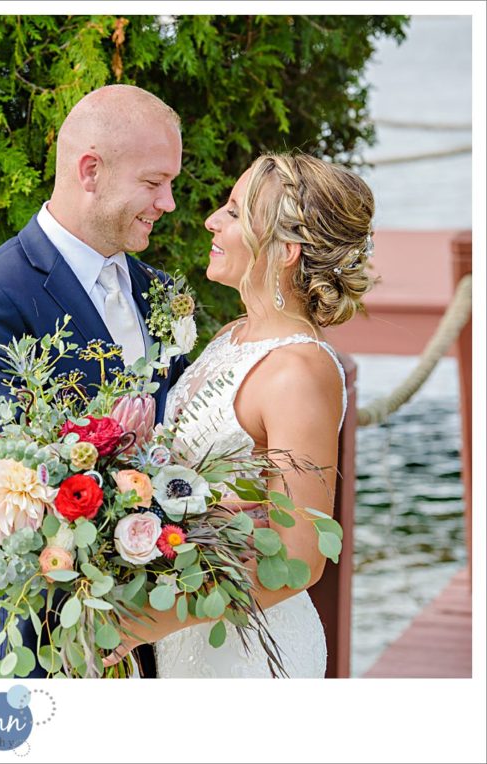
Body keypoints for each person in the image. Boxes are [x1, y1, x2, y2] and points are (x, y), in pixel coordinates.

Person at [0, 84, 190, 678]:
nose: (168, 202)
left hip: (154, 639)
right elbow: (8, 460)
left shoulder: (161, 294)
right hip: (32, 634)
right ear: (90, 171)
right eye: (154, 183)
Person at [103, 152, 376, 677]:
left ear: (286, 249)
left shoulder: (299, 371)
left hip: (250, 651)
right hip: (189, 637)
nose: (211, 220)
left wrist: (148, 621)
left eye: (233, 212)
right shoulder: (233, 335)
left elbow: (301, 557)